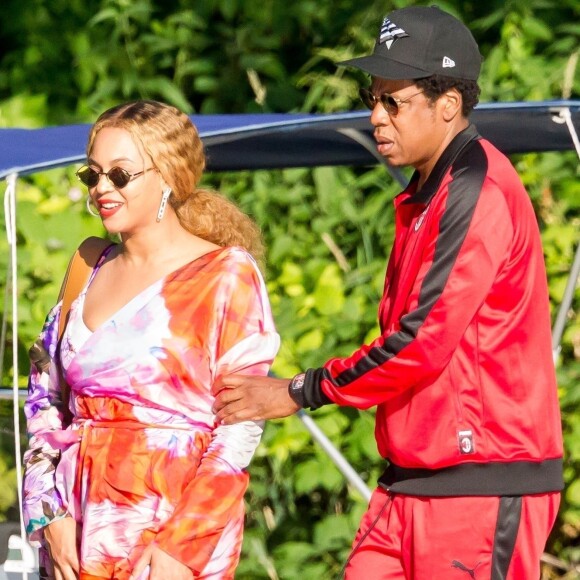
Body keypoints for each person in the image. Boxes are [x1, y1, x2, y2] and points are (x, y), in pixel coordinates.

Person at [212, 5, 564, 579]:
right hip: (409, 484)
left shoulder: (477, 187)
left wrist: (300, 391)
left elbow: (420, 342)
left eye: (391, 101)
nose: (374, 116)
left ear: (448, 104)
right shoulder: (428, 189)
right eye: (370, 96)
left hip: (478, 485)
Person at [22, 100, 280, 580]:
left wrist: (181, 549)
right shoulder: (87, 268)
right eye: (92, 175)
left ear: (167, 175)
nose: (101, 188)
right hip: (76, 536)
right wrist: (48, 515)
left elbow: (240, 427)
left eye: (119, 175)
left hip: (171, 537)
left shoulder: (225, 274)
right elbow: (42, 404)